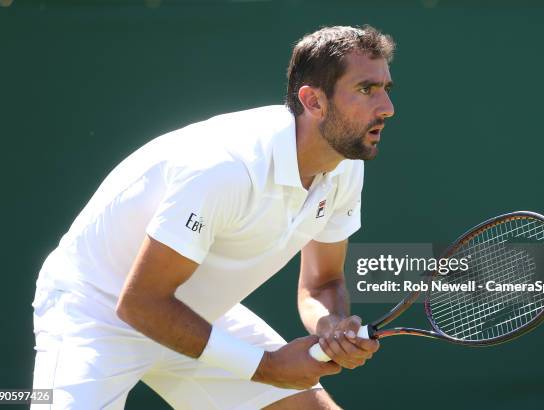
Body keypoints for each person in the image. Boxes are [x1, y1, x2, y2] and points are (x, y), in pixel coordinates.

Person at [31, 25, 395, 409]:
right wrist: (267, 367)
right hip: (99, 311)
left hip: (197, 316)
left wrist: (332, 326)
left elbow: (322, 283)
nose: (387, 107)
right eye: (366, 89)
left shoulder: (344, 165)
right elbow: (141, 303)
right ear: (313, 101)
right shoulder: (225, 168)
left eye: (387, 89)